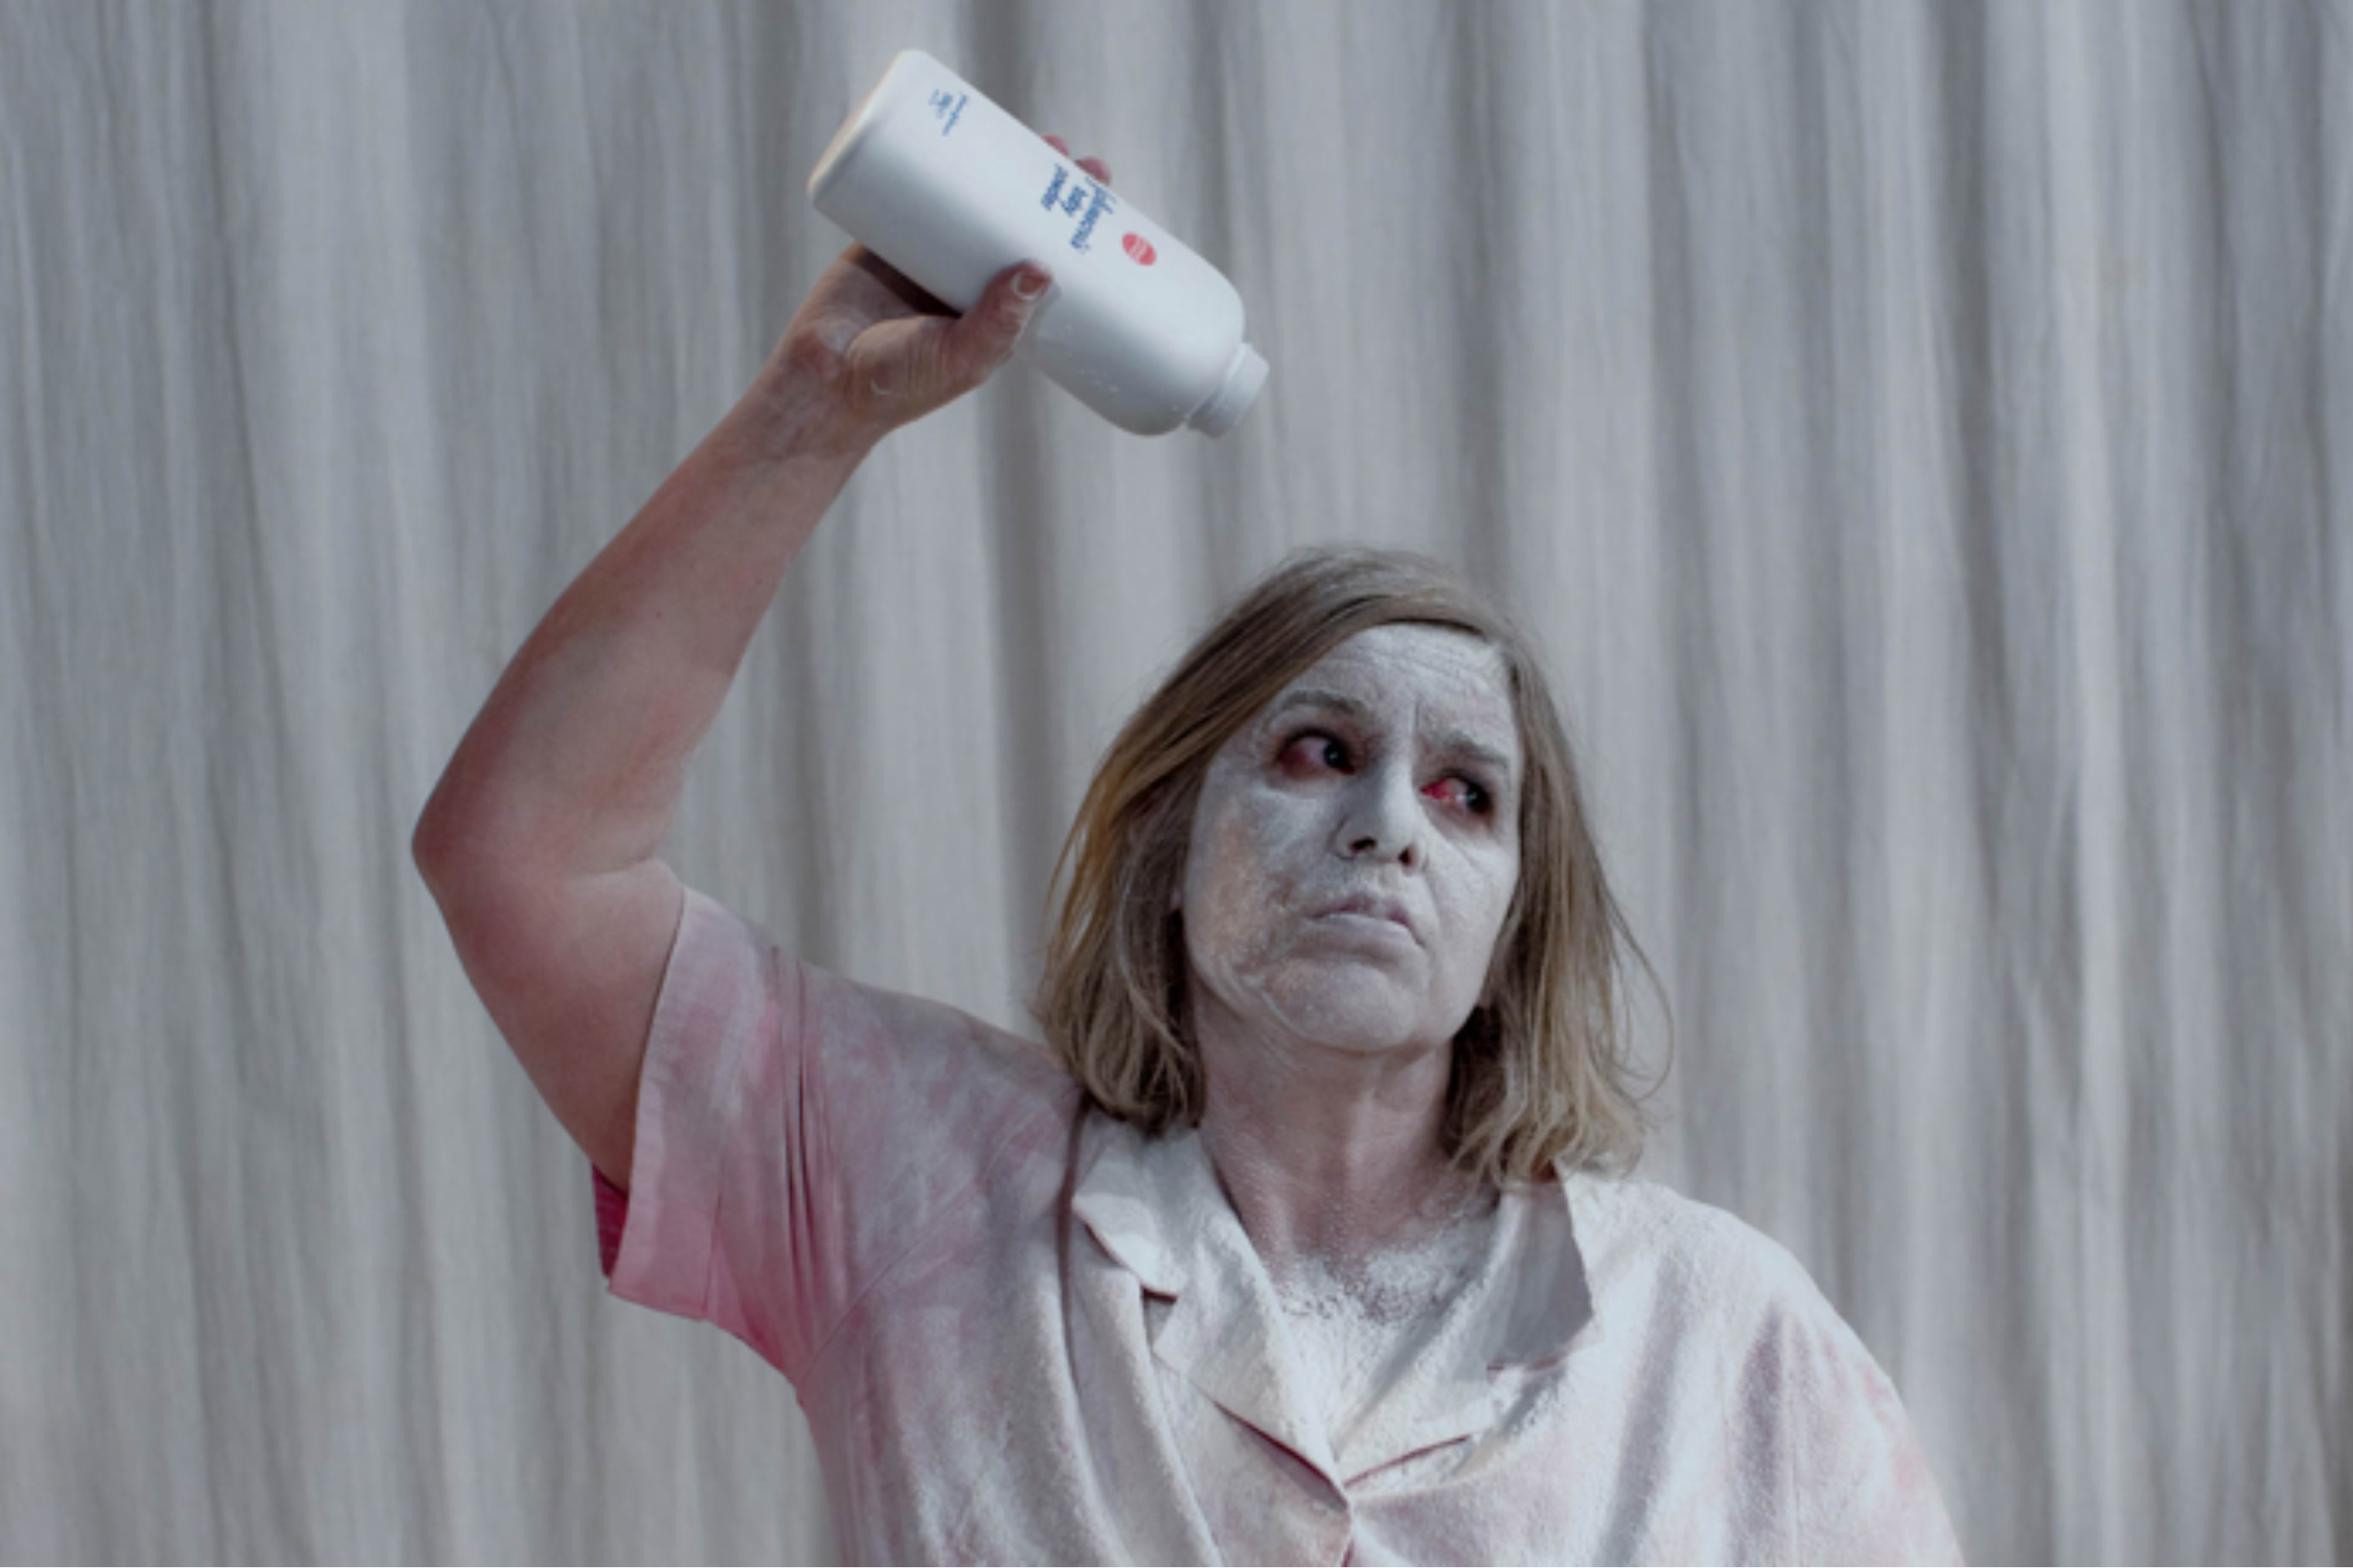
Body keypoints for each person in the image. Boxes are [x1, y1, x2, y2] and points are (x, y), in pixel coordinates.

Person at [415, 136, 1964, 1565]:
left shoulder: (1723, 1339)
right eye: (1318, 749)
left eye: (1465, 796)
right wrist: (811, 411)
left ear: (1515, 928)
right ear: (1169, 841)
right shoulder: (914, 1183)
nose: (1387, 824)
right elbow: (524, 857)